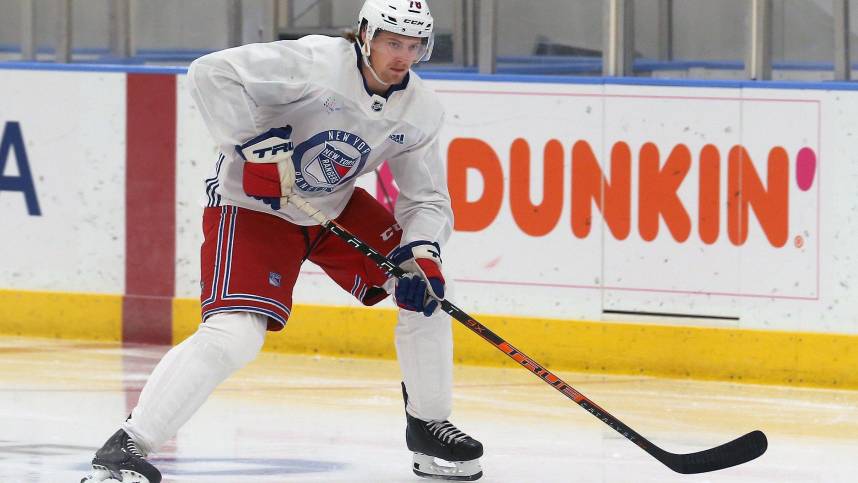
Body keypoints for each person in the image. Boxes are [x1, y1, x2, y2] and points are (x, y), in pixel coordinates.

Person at [81, 0, 484, 481]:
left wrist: (422, 252)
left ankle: (428, 425)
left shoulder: (420, 111)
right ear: (364, 36)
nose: (402, 55)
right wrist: (249, 146)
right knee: (235, 335)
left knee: (430, 293)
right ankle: (128, 444)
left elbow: (426, 199)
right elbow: (211, 72)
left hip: (332, 204)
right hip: (257, 207)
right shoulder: (312, 62)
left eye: (413, 45)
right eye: (391, 42)